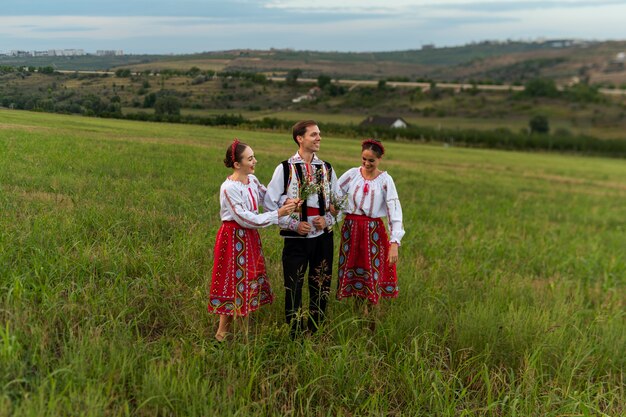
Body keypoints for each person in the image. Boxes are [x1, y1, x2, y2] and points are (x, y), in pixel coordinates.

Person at [209, 139, 296, 342]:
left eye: (253, 156)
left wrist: (289, 204)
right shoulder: (228, 188)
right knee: (236, 283)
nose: (255, 161)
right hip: (234, 237)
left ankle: (225, 335)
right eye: (250, 158)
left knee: (246, 282)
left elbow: (267, 200)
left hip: (249, 237)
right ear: (237, 164)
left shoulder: (253, 181)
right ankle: (238, 337)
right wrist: (277, 214)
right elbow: (244, 218)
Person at [264, 120, 340, 337]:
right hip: (296, 238)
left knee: (322, 282)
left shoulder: (326, 168)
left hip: (323, 237)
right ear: (300, 138)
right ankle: (295, 332)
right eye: (314, 134)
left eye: (319, 134)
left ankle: (315, 330)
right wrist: (294, 224)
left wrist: (328, 220)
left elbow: (341, 201)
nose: (319, 138)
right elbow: (270, 202)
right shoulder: (285, 168)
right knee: (294, 284)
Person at [335, 138, 405, 311]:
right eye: (364, 159)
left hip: (372, 231)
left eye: (371, 160)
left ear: (379, 159)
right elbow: (335, 192)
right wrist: (337, 208)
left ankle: (372, 320)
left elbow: (394, 210)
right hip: (351, 229)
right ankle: (357, 315)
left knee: (373, 274)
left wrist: (394, 242)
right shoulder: (352, 174)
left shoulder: (385, 180)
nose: (367, 163)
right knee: (354, 274)